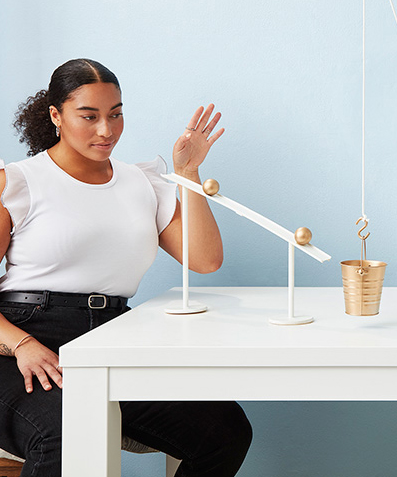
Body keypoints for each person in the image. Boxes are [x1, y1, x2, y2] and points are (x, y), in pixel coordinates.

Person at [0, 59, 252, 476]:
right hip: (22, 339)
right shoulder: (19, 182)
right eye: (90, 116)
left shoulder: (141, 182)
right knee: (64, 433)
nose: (107, 130)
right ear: (55, 116)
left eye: (116, 114)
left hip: (114, 337)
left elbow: (205, 259)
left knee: (223, 431)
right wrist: (22, 344)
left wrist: (188, 173)